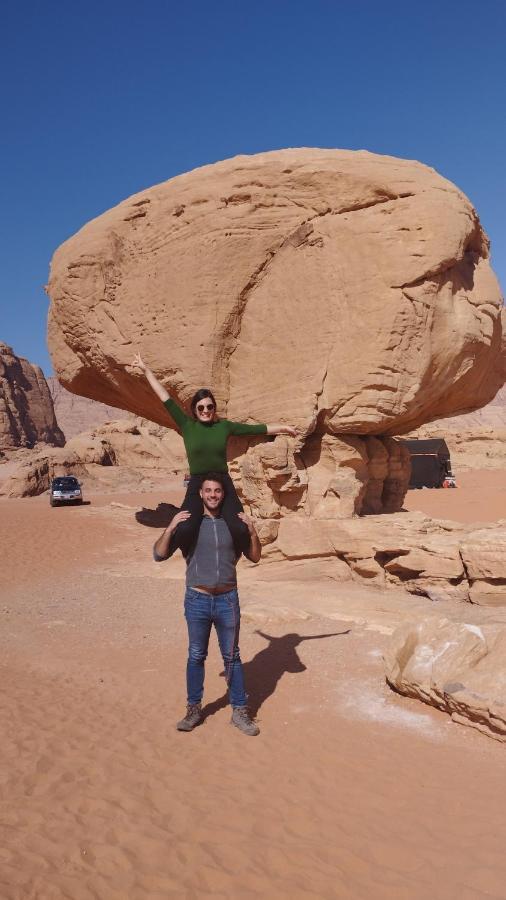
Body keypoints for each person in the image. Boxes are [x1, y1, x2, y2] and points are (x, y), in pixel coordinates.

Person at [132, 354, 295, 557]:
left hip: (222, 481)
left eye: (210, 407)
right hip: (197, 482)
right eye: (201, 407)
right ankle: (172, 552)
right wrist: (146, 370)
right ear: (194, 410)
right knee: (184, 526)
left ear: (214, 408)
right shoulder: (187, 426)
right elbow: (165, 398)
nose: (206, 410)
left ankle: (240, 556)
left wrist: (283, 428)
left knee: (239, 527)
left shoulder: (224, 427)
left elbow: (255, 429)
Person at [154, 473, 262, 736]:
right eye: (208, 491)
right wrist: (170, 527)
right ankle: (193, 709)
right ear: (200, 494)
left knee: (232, 657)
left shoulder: (232, 524)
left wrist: (251, 529)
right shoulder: (189, 525)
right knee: (196, 655)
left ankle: (239, 711)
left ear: (223, 495)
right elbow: (158, 554)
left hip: (227, 599)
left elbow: (256, 557)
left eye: (217, 491)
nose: (213, 495)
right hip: (197, 599)